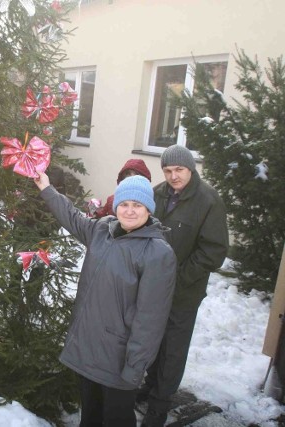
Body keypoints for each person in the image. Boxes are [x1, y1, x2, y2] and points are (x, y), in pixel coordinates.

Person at [34, 172, 177, 426]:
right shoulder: (102, 230)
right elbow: (72, 217)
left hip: (119, 359)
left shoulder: (157, 253)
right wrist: (46, 187)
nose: (129, 211)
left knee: (116, 419)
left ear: (149, 209)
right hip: (89, 349)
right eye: (124, 204)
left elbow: (150, 321)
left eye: (137, 205)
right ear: (116, 205)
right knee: (90, 416)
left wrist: (135, 367)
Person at [140, 144, 229, 427]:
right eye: (167, 170)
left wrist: (178, 278)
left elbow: (213, 251)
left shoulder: (208, 200)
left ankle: (159, 405)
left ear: (190, 168)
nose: (173, 176)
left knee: (173, 349)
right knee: (153, 341)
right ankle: (149, 386)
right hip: (153, 287)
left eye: (179, 169)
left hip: (184, 290)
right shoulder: (157, 194)